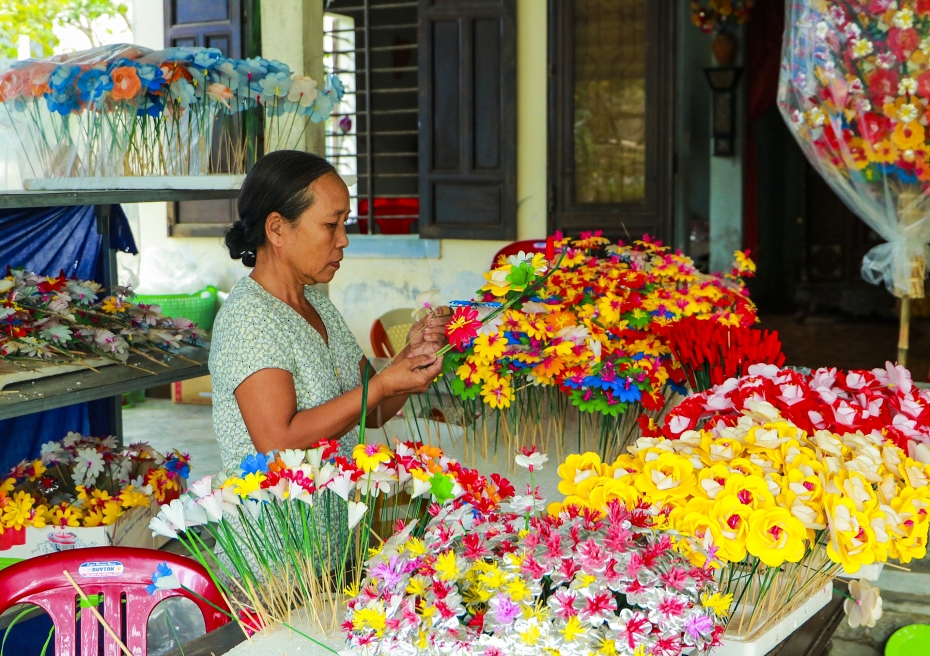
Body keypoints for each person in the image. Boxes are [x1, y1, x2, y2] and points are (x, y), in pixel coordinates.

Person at [209, 150, 449, 469]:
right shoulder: (248, 317)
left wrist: (411, 356)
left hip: (337, 500)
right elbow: (278, 443)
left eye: (344, 224)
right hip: (278, 503)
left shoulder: (318, 305)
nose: (343, 240)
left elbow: (372, 410)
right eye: (331, 224)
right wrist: (381, 386)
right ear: (277, 229)